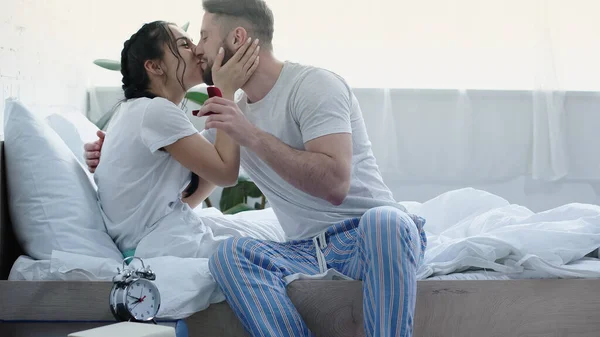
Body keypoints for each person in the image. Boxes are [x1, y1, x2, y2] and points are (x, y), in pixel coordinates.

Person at [86, 1, 428, 336]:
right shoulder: (229, 110)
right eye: (189, 43)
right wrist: (117, 157)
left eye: (203, 37)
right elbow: (204, 173)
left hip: (365, 237)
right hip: (306, 250)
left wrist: (247, 133)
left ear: (236, 38)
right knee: (229, 256)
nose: (198, 49)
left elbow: (335, 185)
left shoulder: (313, 85)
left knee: (387, 220)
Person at [91, 20, 261, 254]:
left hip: (150, 241)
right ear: (155, 67)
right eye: (184, 44)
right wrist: (226, 92)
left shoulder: (134, 111)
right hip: (160, 244)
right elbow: (226, 174)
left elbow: (191, 189)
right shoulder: (155, 112)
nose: (197, 50)